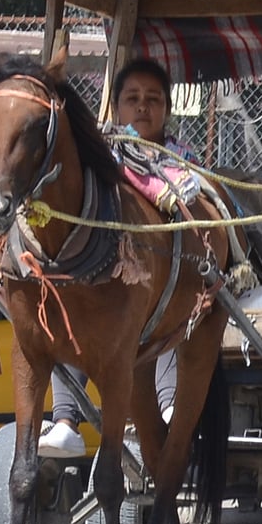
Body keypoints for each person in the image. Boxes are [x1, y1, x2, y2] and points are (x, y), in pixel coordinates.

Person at [39, 59, 198, 458]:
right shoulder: (97, 155)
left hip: (165, 280)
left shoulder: (183, 161)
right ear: (116, 106)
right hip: (99, 277)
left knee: (167, 319)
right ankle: (64, 421)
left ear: (167, 108)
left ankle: (170, 404)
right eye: (132, 98)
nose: (143, 107)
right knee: (71, 328)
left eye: (153, 99)